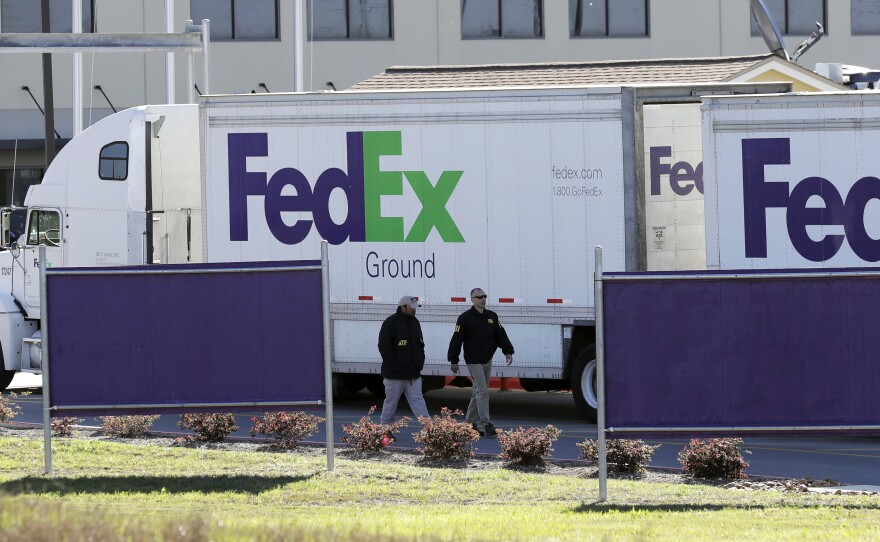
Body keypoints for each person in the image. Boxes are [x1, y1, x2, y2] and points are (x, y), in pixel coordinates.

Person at [447, 288, 514, 438]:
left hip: (487, 359)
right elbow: (456, 339)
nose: (483, 299)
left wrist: (507, 351)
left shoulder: (492, 316)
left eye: (484, 296)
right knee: (483, 391)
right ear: (472, 299)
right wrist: (454, 359)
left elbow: (500, 335)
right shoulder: (465, 318)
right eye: (479, 297)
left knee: (477, 392)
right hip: (473, 360)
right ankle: (486, 423)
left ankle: (469, 424)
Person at [377, 295, 431, 434]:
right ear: (403, 307)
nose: (414, 310)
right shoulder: (390, 323)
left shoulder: (415, 322)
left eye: (415, 308)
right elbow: (384, 347)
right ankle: (385, 432)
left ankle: (429, 431)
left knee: (419, 402)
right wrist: (394, 365)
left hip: (413, 374)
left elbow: (420, 346)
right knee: (391, 404)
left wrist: (420, 363)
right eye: (412, 308)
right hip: (395, 375)